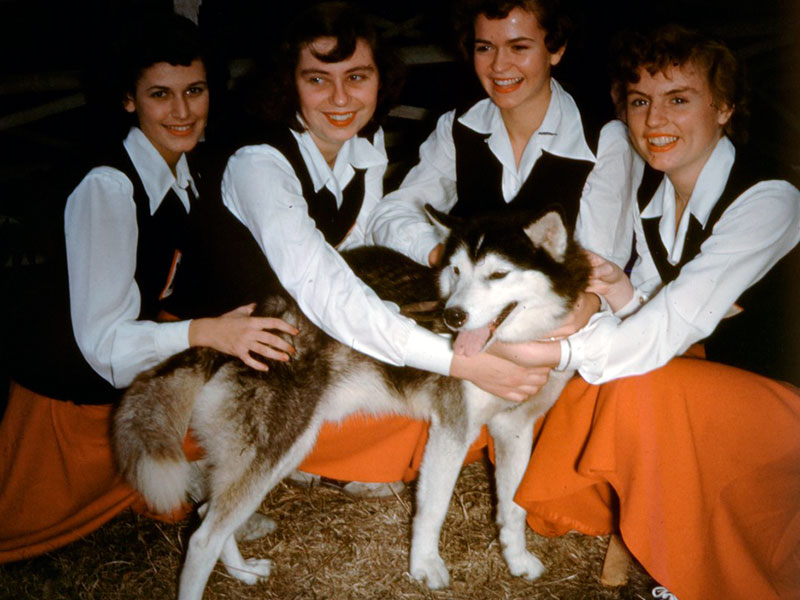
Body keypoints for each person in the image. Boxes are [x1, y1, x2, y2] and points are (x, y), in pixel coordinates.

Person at [186, 1, 547, 497]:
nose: (340, 97)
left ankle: (342, 459)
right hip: (219, 336)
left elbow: (360, 249)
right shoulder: (259, 162)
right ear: (289, 83)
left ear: (381, 79)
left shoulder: (363, 143)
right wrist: (454, 361)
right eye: (317, 79)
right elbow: (320, 281)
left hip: (296, 326)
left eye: (357, 77)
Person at [495, 24, 800, 599]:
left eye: (678, 100)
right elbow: (659, 311)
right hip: (734, 377)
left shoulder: (770, 198)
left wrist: (562, 349)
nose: (654, 121)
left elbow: (677, 322)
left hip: (786, 401)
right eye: (640, 102)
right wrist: (616, 294)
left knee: (636, 384)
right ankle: (610, 506)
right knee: (593, 379)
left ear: (725, 107)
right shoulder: (654, 200)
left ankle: (691, 571)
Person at [0, 12, 295, 563]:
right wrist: (208, 331)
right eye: (160, 94)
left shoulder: (187, 169)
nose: (182, 111)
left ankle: (182, 488)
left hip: (119, 368)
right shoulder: (109, 185)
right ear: (129, 100)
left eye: (195, 91)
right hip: (66, 391)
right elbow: (104, 348)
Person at [368, 0, 634, 274]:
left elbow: (601, 265)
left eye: (518, 47)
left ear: (555, 49)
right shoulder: (457, 127)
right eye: (485, 48)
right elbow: (391, 214)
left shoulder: (605, 141)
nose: (498, 65)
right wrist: (441, 253)